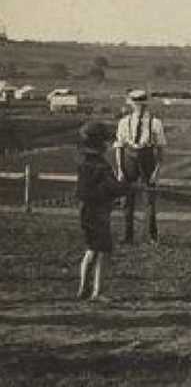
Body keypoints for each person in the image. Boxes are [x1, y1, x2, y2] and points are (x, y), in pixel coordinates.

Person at [76, 121, 132, 301]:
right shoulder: (101, 166)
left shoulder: (84, 162)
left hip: (85, 211)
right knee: (105, 250)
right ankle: (98, 292)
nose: (108, 144)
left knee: (91, 249)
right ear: (99, 143)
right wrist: (127, 186)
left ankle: (83, 288)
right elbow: (114, 188)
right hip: (99, 213)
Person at [114, 89, 167, 244]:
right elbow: (119, 146)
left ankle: (152, 236)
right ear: (131, 105)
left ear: (146, 105)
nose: (139, 107)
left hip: (147, 158)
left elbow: (161, 149)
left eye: (142, 104)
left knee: (149, 198)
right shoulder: (124, 122)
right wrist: (120, 169)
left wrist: (157, 171)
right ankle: (127, 236)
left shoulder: (156, 123)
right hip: (129, 158)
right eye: (136, 104)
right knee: (127, 199)